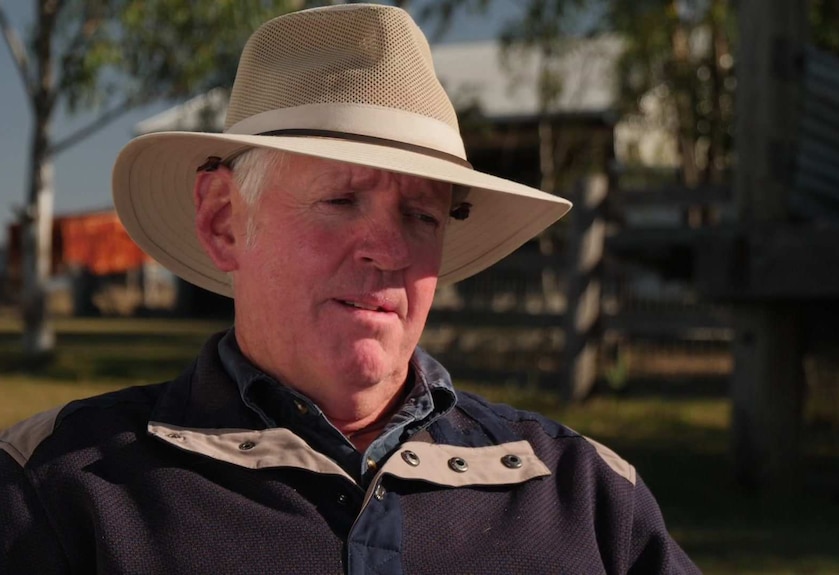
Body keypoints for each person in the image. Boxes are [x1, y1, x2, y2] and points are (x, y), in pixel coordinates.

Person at [0, 4, 699, 574]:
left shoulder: (583, 497)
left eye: (422, 214)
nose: (389, 248)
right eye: (341, 199)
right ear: (222, 220)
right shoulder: (60, 494)